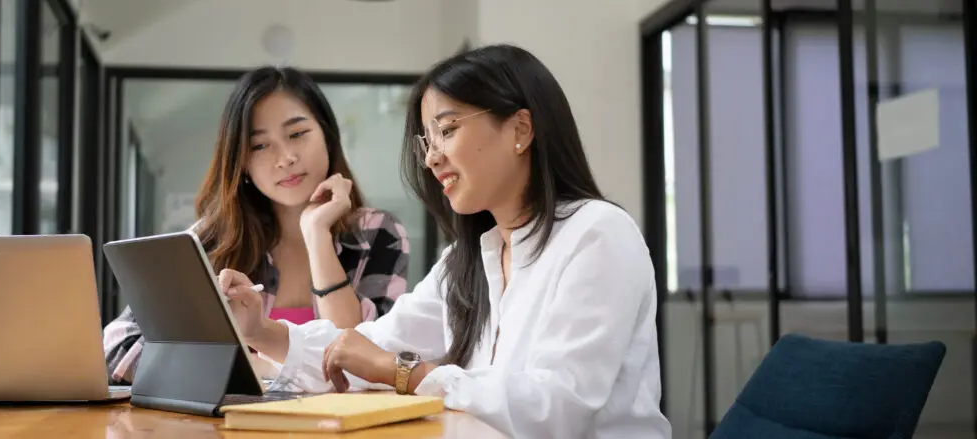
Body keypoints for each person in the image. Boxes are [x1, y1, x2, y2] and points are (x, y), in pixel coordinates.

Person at [221, 45, 670, 438]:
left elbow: (554, 410)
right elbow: (371, 345)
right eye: (427, 140)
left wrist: (404, 374)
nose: (433, 157)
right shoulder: (469, 257)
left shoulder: (597, 234)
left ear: (520, 129)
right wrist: (259, 329)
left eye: (448, 130)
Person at [103, 66, 411, 385]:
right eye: (260, 146)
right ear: (242, 163)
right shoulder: (211, 240)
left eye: (297, 134)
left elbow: (366, 360)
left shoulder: (379, 233)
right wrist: (256, 370)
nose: (285, 158)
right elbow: (116, 347)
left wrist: (317, 235)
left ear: (328, 136)